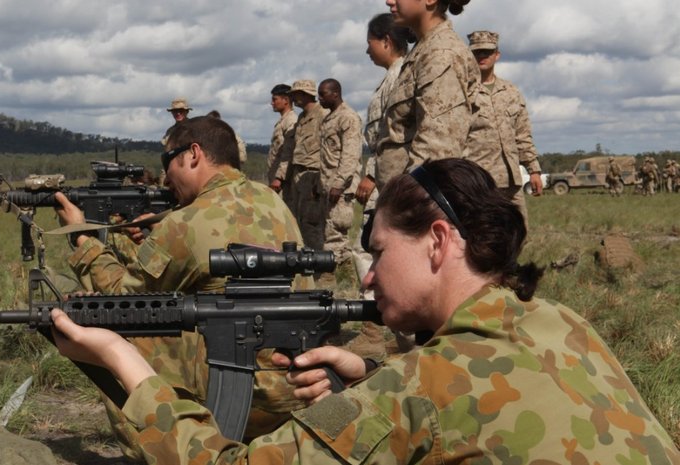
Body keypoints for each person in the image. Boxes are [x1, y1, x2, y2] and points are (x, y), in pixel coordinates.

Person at [49, 158, 680, 464]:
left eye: (378, 252)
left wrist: (124, 361)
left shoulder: (423, 386)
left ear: (438, 242)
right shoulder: (562, 321)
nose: (370, 274)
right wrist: (372, 378)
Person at [53, 115, 310, 459]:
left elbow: (121, 298)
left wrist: (81, 238)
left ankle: (160, 453)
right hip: (299, 388)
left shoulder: (186, 221)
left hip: (252, 394)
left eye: (167, 162)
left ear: (193, 154)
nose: (166, 177)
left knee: (111, 329)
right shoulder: (272, 201)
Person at [375, 0, 480, 188]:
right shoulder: (424, 49)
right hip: (402, 196)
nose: (389, 1)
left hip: (417, 198)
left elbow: (436, 152)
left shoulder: (441, 54)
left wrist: (408, 198)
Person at [352, 12, 412, 298]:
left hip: (390, 177)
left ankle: (377, 309)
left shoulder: (399, 77)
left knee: (368, 247)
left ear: (386, 41)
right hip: (387, 177)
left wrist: (371, 173)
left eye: (370, 43)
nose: (367, 51)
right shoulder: (391, 77)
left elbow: (394, 135)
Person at [465, 30, 543, 224]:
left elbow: (522, 135)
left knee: (519, 229)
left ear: (497, 55)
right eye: (477, 52)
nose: (482, 56)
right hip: (479, 181)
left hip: (511, 181)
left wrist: (533, 170)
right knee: (483, 231)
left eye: (487, 52)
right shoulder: (463, 92)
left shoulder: (511, 92)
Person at [317, 78, 363, 267]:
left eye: (323, 94)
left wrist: (339, 183)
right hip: (328, 185)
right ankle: (342, 271)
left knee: (336, 234)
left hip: (340, 188)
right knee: (329, 232)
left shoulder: (348, 117)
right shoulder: (329, 118)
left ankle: (332, 272)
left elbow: (350, 155)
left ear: (335, 93)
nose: (319, 98)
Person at [287, 79, 328, 254]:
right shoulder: (301, 117)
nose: (293, 98)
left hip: (313, 173)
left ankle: (318, 258)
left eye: (296, 94)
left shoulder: (323, 114)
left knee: (312, 221)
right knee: (300, 219)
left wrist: (318, 180)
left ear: (305, 94)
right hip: (299, 174)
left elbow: (327, 148)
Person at [266, 83, 298, 212]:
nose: (272, 103)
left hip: (284, 182)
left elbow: (289, 152)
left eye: (275, 99)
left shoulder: (291, 121)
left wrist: (279, 178)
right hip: (278, 180)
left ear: (286, 100)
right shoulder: (283, 121)